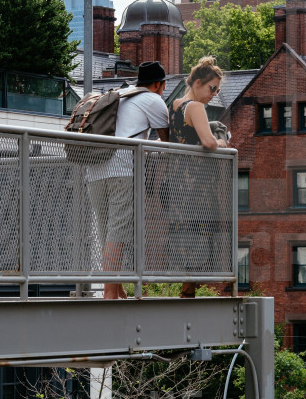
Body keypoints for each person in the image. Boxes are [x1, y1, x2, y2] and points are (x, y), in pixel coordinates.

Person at [88, 61, 170, 300]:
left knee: (107, 232)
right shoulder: (153, 99)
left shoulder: (119, 95)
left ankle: (118, 287)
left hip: (94, 169)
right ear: (158, 84)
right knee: (118, 233)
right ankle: (109, 295)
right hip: (122, 169)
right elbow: (167, 140)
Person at [168, 56, 229, 297]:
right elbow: (208, 142)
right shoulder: (195, 107)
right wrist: (223, 143)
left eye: (217, 89)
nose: (214, 93)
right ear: (197, 83)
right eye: (211, 88)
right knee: (198, 233)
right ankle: (188, 294)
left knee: (185, 234)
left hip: (177, 180)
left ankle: (186, 290)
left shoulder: (175, 106)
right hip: (196, 183)